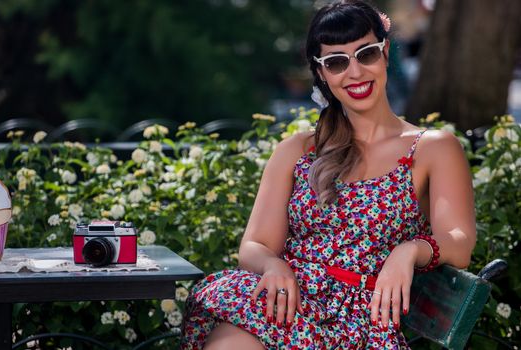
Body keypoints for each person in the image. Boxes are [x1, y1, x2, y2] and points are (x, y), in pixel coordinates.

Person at [181, 0, 476, 349]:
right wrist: (274, 267)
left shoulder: (432, 148)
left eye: (365, 54)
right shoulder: (297, 150)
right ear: (321, 73)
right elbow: (255, 245)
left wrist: (410, 250)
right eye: (336, 62)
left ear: (384, 52)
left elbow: (459, 241)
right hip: (288, 304)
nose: (354, 72)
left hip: (361, 324)